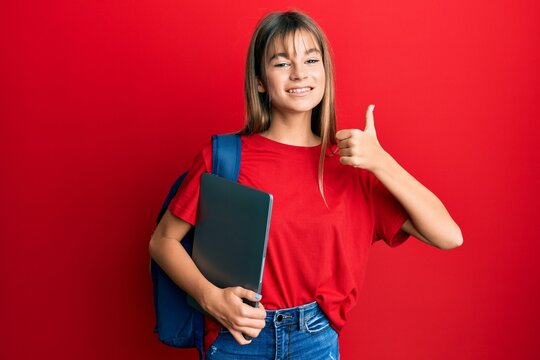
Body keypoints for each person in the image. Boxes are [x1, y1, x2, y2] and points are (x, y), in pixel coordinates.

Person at [149, 10, 463, 360]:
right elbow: (162, 241)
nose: (299, 72)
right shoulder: (224, 156)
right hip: (237, 336)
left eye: (311, 59)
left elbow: (448, 236)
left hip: (315, 340)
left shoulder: (353, 164)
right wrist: (211, 299)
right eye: (282, 63)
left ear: (325, 73)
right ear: (259, 81)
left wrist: (381, 161)